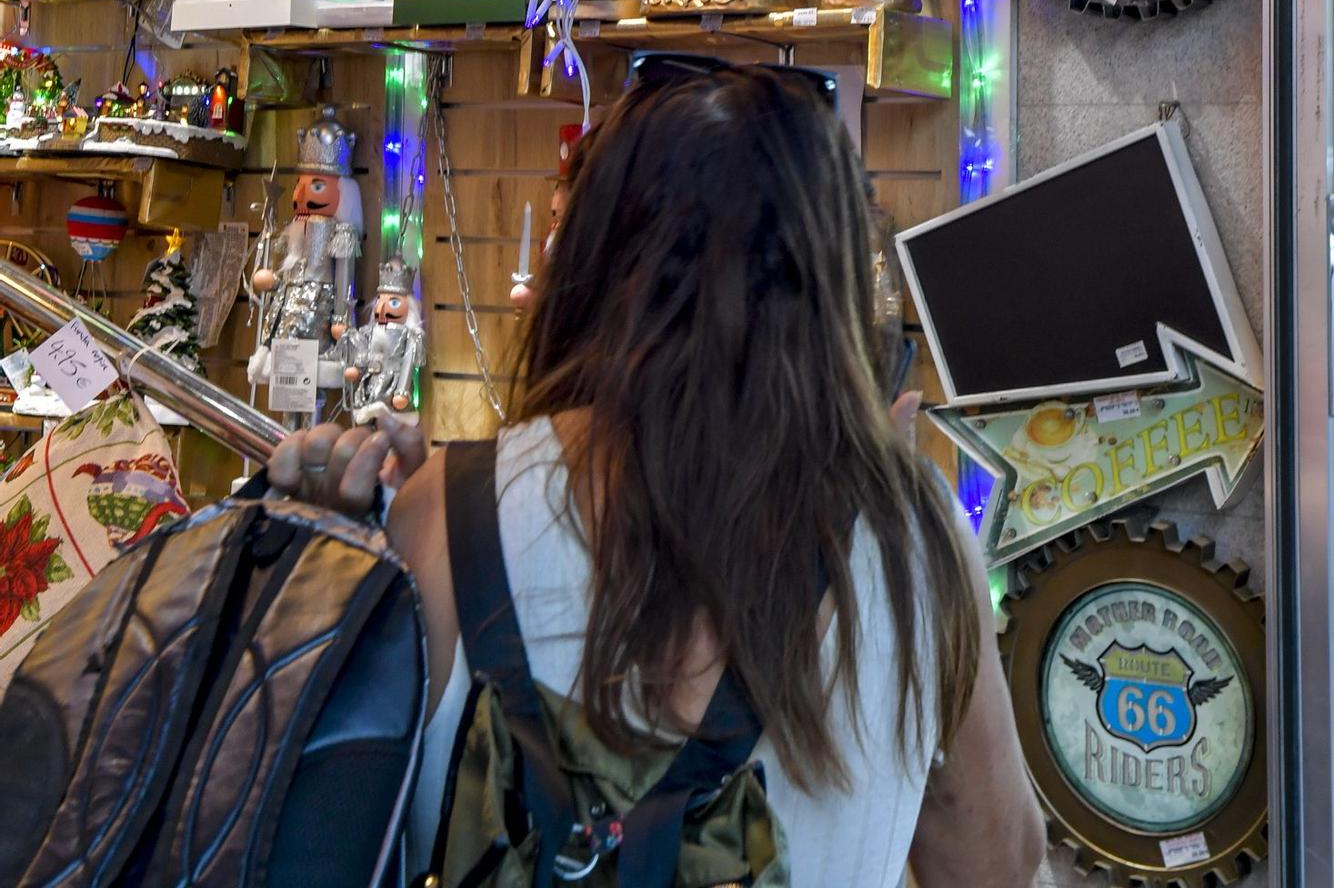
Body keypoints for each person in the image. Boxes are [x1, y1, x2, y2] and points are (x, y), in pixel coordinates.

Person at [268, 61, 1046, 887]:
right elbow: (993, 863)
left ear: (594, 258)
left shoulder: (442, 512)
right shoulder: (914, 535)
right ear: (834, 278)